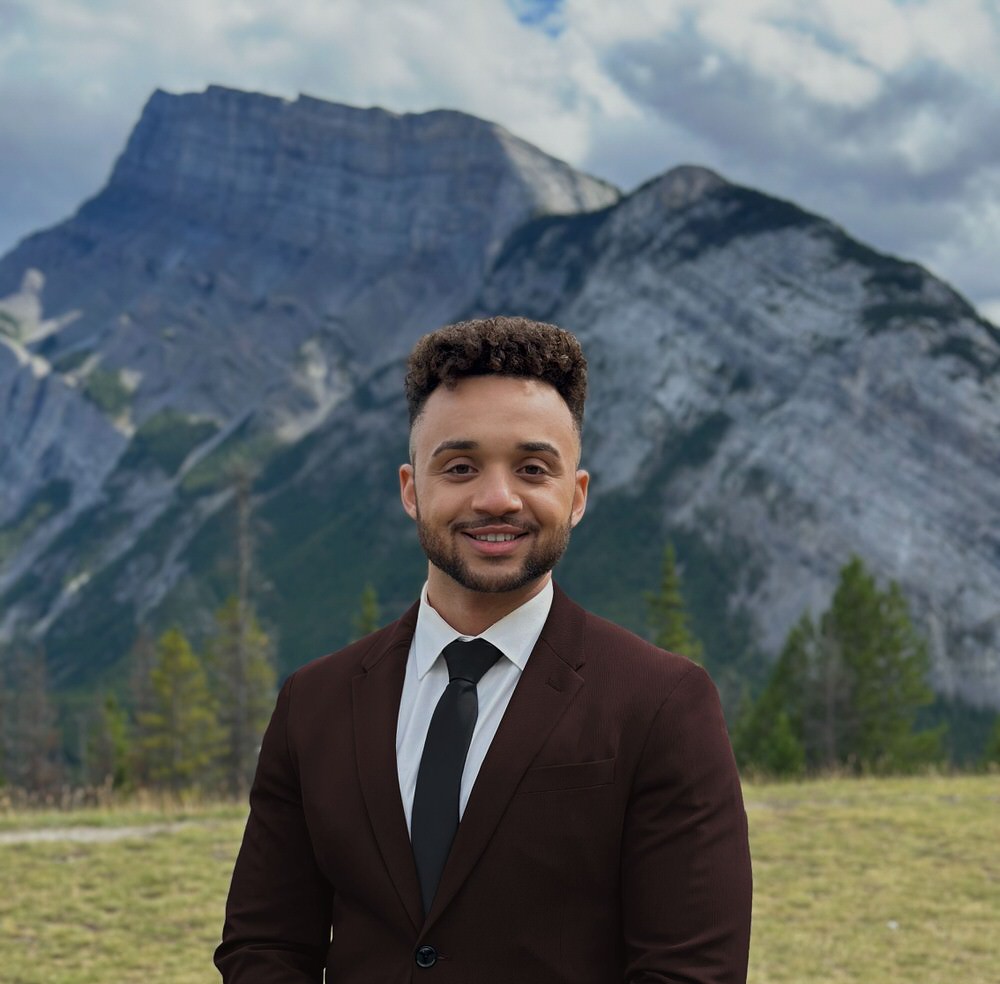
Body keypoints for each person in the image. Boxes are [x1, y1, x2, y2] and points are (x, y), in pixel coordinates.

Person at [215, 316, 752, 983]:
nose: (497, 499)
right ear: (413, 490)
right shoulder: (313, 702)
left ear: (576, 496)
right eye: (461, 467)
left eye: (532, 468)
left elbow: (691, 972)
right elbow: (264, 947)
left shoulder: (662, 704)